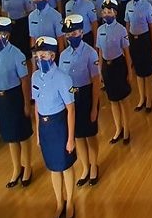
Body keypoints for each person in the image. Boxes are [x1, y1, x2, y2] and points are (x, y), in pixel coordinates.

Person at [31, 36, 76, 218]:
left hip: (59, 125)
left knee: (65, 166)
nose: (40, 58)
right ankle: (59, 202)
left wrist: (71, 138)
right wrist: (38, 134)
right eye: (38, 55)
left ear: (52, 55)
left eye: (43, 55)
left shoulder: (63, 78)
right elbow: (36, 105)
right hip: (45, 126)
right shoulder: (35, 76)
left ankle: (71, 201)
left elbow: (71, 109)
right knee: (53, 168)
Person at [0, 17, 34, 188]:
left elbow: (24, 80)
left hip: (16, 96)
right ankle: (16, 168)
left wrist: (26, 104)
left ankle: (28, 167)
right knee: (10, 137)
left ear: (7, 35)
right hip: (1, 97)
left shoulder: (17, 54)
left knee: (22, 134)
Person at [59, 15, 101, 187]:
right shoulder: (63, 55)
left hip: (87, 95)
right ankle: (85, 167)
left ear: (81, 32)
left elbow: (96, 82)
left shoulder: (90, 53)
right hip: (72, 96)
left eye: (74, 32)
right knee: (78, 136)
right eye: (68, 34)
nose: (71, 36)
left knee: (90, 135)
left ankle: (94, 166)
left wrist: (94, 107)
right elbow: (63, 81)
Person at [96, 0, 132, 145]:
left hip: (119, 65)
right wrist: (100, 71)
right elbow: (99, 51)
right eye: (104, 11)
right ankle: (118, 128)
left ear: (115, 13)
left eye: (109, 11)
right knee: (112, 101)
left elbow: (127, 52)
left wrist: (129, 71)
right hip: (107, 67)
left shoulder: (121, 29)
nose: (106, 14)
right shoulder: (100, 30)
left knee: (122, 100)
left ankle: (127, 129)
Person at [124, 0, 152, 112]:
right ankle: (141, 98)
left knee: (147, 72)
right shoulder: (128, 6)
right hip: (133, 40)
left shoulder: (147, 6)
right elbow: (127, 24)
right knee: (138, 71)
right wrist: (126, 42)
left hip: (144, 40)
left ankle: (149, 99)